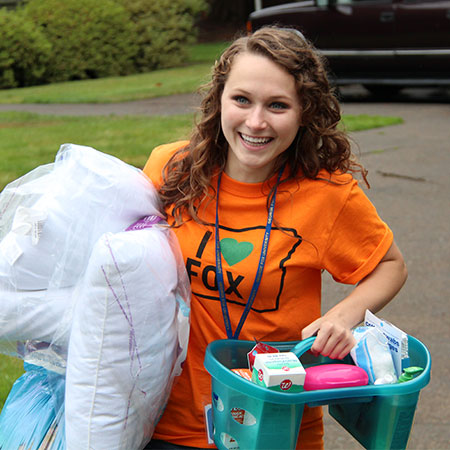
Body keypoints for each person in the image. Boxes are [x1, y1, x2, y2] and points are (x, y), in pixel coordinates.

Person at [143, 26, 407, 450]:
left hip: (277, 423)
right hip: (168, 420)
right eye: (242, 99)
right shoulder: (170, 168)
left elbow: (390, 266)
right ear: (219, 99)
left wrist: (345, 315)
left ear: (305, 111)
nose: (256, 121)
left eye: (278, 105)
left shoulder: (327, 195)